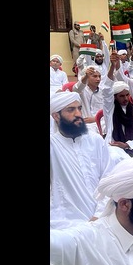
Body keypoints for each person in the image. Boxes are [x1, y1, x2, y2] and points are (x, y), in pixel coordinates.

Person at [50, 91, 114, 229]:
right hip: (65, 221)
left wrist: (100, 213)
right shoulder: (52, 145)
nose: (78, 114)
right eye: (71, 110)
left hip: (102, 216)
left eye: (79, 108)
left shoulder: (95, 140)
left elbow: (109, 177)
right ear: (56, 116)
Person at [102, 56, 133, 162]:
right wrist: (112, 67)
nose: (126, 98)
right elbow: (106, 90)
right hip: (115, 144)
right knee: (117, 159)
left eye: (127, 95)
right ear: (115, 97)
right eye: (121, 96)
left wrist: (128, 144)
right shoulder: (110, 110)